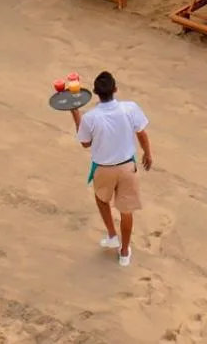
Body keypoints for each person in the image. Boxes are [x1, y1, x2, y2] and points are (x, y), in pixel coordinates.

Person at [71, 71, 152, 267]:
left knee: (101, 199)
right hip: (127, 167)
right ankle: (124, 252)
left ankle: (112, 234)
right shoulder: (129, 108)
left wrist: (75, 112)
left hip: (104, 168)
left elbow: (85, 143)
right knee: (126, 211)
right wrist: (147, 153)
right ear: (115, 90)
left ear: (96, 93)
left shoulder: (90, 117)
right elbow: (141, 133)